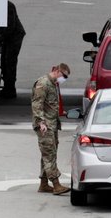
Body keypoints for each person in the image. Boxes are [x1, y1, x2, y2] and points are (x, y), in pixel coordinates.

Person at [31, 63, 71, 195]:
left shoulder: (53, 84)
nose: (64, 79)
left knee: (48, 153)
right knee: (49, 154)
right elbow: (37, 104)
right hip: (45, 126)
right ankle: (56, 184)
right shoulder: (43, 83)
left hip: (52, 125)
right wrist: (41, 122)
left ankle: (43, 183)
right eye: (64, 76)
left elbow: (50, 104)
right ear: (58, 71)